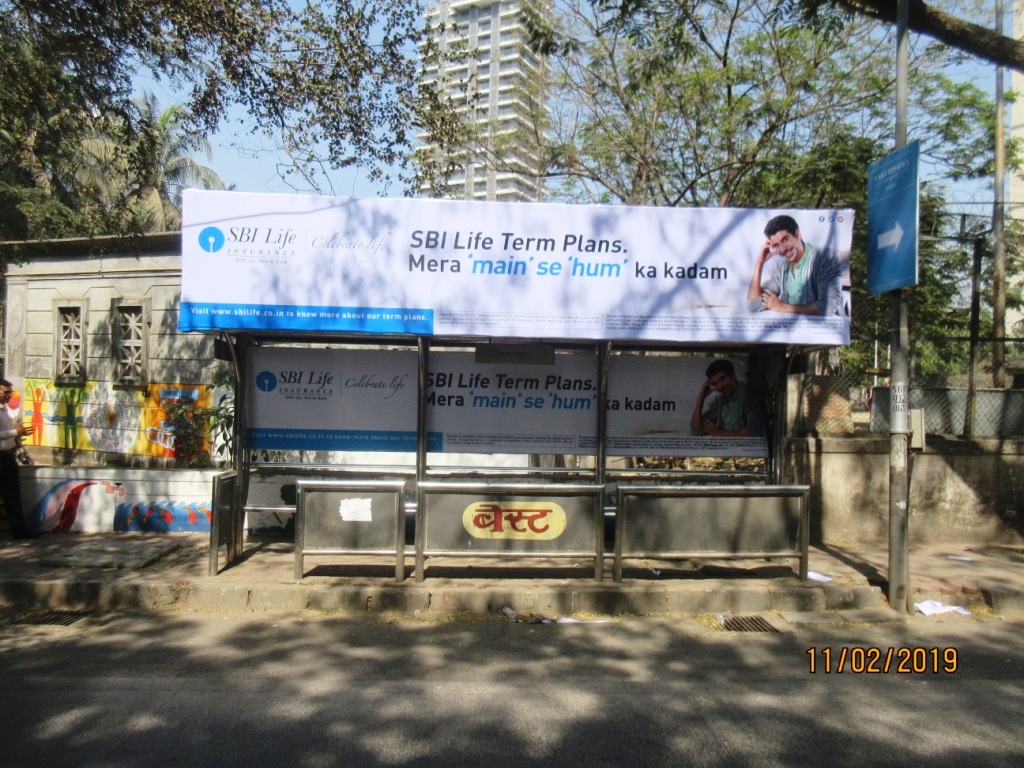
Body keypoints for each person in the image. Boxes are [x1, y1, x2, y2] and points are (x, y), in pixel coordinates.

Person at [747, 214, 845, 316]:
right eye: (776, 245)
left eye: (785, 239)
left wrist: (783, 307)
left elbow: (827, 307)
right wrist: (759, 263)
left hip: (824, 330)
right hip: (792, 330)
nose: (782, 249)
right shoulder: (780, 269)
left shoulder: (825, 258)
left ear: (797, 234)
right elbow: (754, 306)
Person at [690, 360, 765, 437]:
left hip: (745, 448)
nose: (720, 387)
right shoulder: (719, 401)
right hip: (725, 448)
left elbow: (754, 432)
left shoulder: (750, 396)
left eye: (722, 379)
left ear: (733, 375)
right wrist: (701, 397)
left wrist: (718, 433)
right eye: (715, 383)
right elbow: (696, 432)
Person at [0, 379, 36, 539]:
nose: (9, 396)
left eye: (10, 393)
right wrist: (15, 433)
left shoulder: (4, 411)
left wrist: (16, 433)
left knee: (12, 494)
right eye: (5, 392)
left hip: (7, 456)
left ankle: (20, 530)